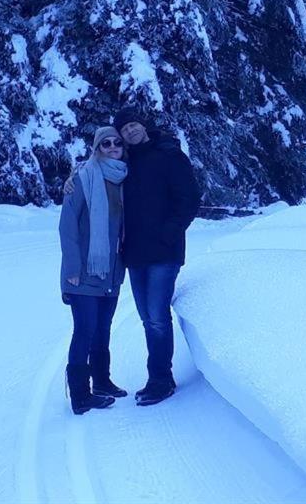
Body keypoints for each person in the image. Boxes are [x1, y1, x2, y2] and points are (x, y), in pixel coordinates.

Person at [112, 106, 202, 406]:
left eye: (133, 125)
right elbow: (96, 175)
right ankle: (160, 377)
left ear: (144, 125)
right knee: (147, 318)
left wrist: (171, 230)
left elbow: (190, 198)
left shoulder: (169, 155)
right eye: (124, 130)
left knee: (157, 319)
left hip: (165, 252)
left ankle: (160, 380)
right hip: (136, 254)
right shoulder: (125, 164)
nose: (130, 131)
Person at [58, 126, 129, 415]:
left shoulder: (125, 179)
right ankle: (80, 395)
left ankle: (102, 381)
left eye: (117, 143)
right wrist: (72, 269)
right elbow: (67, 227)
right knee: (85, 330)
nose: (112, 147)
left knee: (102, 329)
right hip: (84, 272)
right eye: (105, 144)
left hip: (111, 271)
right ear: (96, 148)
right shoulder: (82, 178)